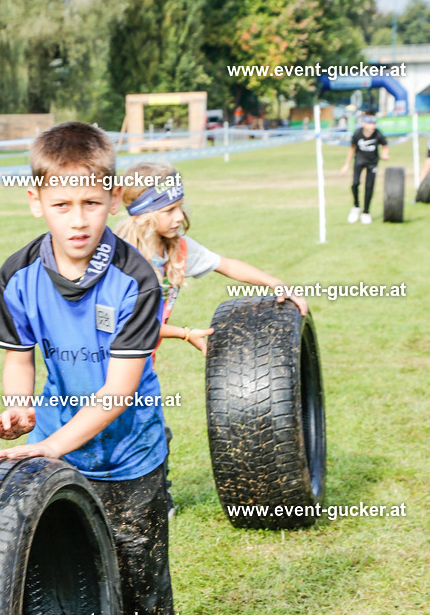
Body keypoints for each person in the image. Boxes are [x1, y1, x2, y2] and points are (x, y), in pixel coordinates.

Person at [0, 122, 183, 615]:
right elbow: (19, 359)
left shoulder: (136, 279)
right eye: (62, 204)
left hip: (128, 455)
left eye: (91, 202)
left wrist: (45, 446)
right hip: (57, 447)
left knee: (140, 575)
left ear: (113, 198)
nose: (78, 219)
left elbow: (118, 392)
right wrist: (20, 412)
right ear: (35, 201)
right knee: (53, 576)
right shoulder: (16, 276)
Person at [113, 162, 308, 518]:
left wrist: (277, 284)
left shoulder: (178, 249)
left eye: (180, 206)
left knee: (150, 428)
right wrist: (185, 333)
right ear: (143, 214)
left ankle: (154, 498)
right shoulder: (120, 258)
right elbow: (124, 325)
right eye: (169, 209)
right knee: (119, 428)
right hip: (107, 362)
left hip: (142, 362)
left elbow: (227, 264)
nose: (179, 216)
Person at [340, 113, 389, 223]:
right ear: (363, 123)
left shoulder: (378, 134)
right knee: (355, 183)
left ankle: (366, 212)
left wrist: (385, 154)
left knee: (369, 187)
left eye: (374, 123)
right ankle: (356, 206)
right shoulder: (357, 133)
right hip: (359, 161)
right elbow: (352, 149)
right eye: (370, 123)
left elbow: (385, 147)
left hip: (372, 163)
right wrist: (346, 165)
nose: (372, 126)